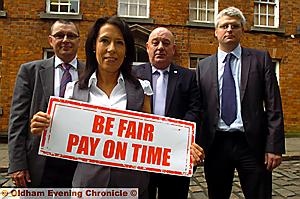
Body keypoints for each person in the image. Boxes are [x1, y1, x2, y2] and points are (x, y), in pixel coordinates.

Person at [30, 16, 153, 198]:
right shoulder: (73, 90)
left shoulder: (142, 89)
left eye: (119, 42)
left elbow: (152, 139)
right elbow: (63, 140)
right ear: (94, 45)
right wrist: (45, 128)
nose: (111, 49)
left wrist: (181, 147)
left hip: (132, 189)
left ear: (126, 50)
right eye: (105, 40)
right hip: (87, 188)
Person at [196, 6, 285, 199]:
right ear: (216, 31)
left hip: (252, 144)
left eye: (235, 26)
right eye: (224, 26)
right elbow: (198, 109)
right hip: (216, 143)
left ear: (242, 30)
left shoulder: (260, 59)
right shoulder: (203, 66)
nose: (229, 30)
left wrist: (274, 146)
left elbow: (273, 105)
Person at [8, 19, 84, 188]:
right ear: (51, 40)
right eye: (59, 35)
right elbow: (17, 120)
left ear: (79, 41)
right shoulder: (30, 72)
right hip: (41, 161)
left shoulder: (90, 73)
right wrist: (17, 163)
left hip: (78, 162)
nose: (65, 40)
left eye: (71, 36)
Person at [133, 27, 205, 199]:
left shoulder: (188, 76)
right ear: (148, 47)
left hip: (175, 155)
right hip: (142, 156)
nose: (160, 47)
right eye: (155, 43)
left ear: (173, 49)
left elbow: (194, 110)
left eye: (166, 43)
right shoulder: (133, 75)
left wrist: (175, 135)